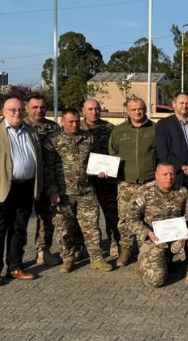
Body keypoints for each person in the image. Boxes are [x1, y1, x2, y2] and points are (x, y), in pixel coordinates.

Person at [0, 98, 43, 286]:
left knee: (19, 229)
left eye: (20, 109)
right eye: (12, 110)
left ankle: (15, 267)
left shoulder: (31, 131)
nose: (16, 113)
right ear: (3, 111)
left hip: (25, 187)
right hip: (0, 189)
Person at [43, 108, 112, 273]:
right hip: (63, 193)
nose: (75, 124)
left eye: (76, 121)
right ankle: (68, 259)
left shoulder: (88, 138)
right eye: (70, 122)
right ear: (62, 122)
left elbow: (96, 161)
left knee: (92, 227)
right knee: (64, 229)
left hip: (86, 191)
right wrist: (53, 192)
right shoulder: (53, 141)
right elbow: (48, 169)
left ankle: (96, 258)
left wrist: (101, 170)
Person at [125, 162, 188, 288]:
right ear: (156, 175)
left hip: (178, 236)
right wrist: (147, 232)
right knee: (155, 281)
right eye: (165, 174)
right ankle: (143, 264)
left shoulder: (182, 192)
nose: (169, 177)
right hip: (154, 239)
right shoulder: (144, 192)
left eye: (172, 174)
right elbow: (130, 218)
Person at [109, 98, 158, 266]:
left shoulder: (154, 129)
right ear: (127, 111)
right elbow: (112, 153)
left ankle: (149, 248)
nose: (138, 112)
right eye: (134, 109)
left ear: (145, 110)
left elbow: (160, 154)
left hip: (150, 182)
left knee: (150, 216)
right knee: (125, 217)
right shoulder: (118, 131)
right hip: (126, 183)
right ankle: (126, 249)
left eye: (141, 109)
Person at [22, 94, 61, 266]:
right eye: (35, 107)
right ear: (27, 109)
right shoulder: (21, 127)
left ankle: (43, 251)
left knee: (47, 219)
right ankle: (17, 256)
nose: (39, 110)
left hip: (46, 181)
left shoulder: (54, 128)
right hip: (25, 181)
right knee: (20, 221)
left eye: (42, 107)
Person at [80, 99, 120, 257]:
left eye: (97, 109)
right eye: (90, 109)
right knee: (86, 217)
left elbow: (117, 151)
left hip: (107, 180)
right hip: (85, 182)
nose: (94, 112)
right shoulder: (77, 128)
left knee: (111, 213)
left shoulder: (110, 128)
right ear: (84, 111)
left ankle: (114, 242)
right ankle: (82, 246)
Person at [156, 94, 188, 213]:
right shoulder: (163, 125)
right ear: (174, 104)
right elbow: (163, 151)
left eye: (187, 103)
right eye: (181, 103)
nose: (185, 106)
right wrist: (182, 166)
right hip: (175, 176)